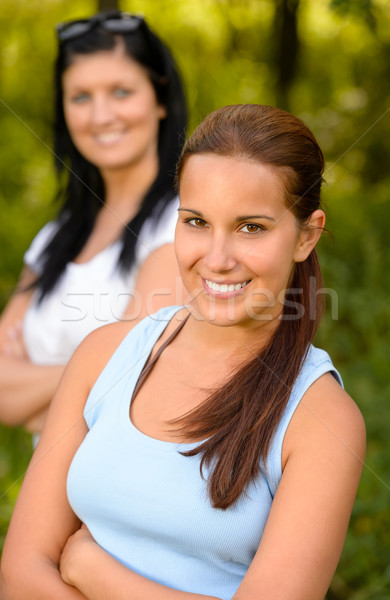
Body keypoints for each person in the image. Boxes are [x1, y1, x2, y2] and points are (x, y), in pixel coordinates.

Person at [0, 104, 366, 600]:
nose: (216, 259)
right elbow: (20, 573)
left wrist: (94, 571)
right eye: (196, 221)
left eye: (250, 227)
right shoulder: (105, 355)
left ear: (306, 235)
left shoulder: (321, 419)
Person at [0, 11, 187, 434]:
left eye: (121, 91)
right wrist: (90, 379)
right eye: (81, 97)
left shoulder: (182, 227)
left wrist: (36, 392)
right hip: (41, 495)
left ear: (159, 99)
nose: (100, 116)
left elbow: (136, 389)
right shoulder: (55, 237)